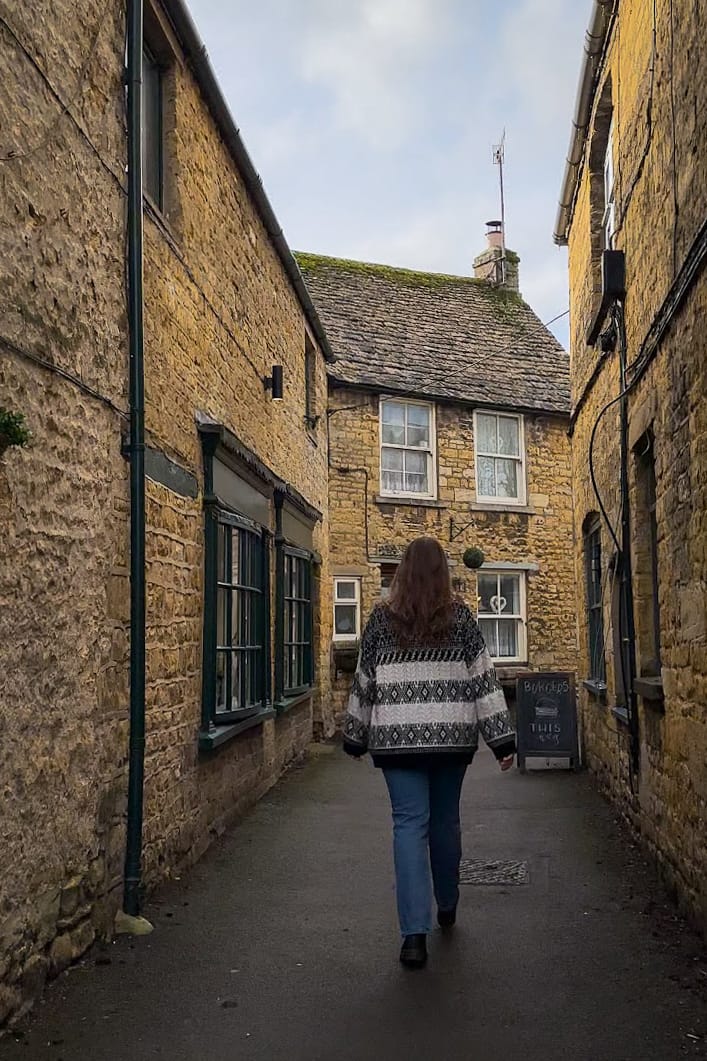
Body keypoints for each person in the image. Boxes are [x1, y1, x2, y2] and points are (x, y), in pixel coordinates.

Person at [343, 536, 516, 969]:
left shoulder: (381, 620)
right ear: (444, 573)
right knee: (445, 821)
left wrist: (354, 734)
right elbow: (484, 681)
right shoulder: (460, 619)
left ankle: (413, 938)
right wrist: (502, 741)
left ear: (401, 572)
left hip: (397, 741)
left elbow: (365, 679)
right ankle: (448, 904)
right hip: (451, 739)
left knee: (408, 825)